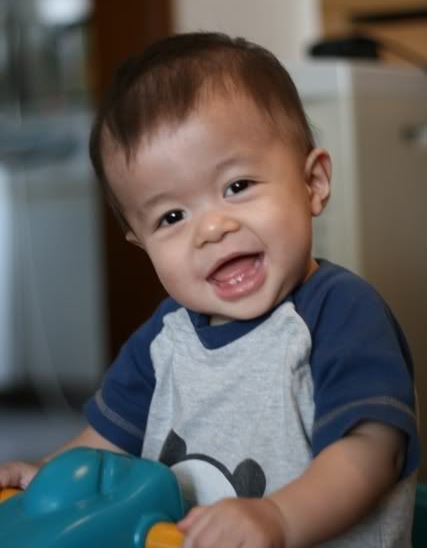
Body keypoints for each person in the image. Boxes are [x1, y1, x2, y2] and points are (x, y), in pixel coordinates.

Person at [0, 32, 420, 547]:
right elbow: (106, 440)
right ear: (143, 244)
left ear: (312, 182)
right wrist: (46, 475)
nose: (212, 228)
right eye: (172, 216)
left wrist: (279, 518)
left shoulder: (340, 312)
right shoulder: (165, 338)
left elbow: (373, 451)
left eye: (237, 186)